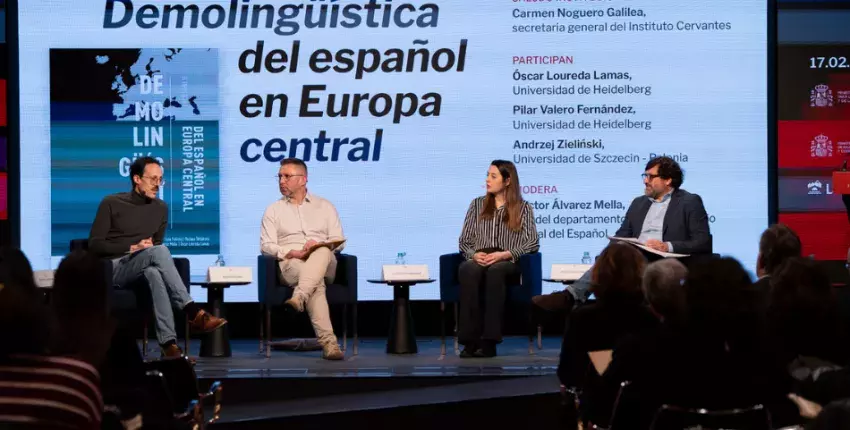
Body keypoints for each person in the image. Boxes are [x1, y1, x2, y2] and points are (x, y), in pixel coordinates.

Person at [88, 157, 226, 358]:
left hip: (142, 266)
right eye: (153, 179)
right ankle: (192, 311)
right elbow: (95, 244)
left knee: (154, 271)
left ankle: (169, 345)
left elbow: (155, 246)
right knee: (159, 251)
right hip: (114, 267)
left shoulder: (160, 208)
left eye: (160, 179)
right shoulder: (111, 202)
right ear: (136, 178)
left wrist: (145, 251)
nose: (157, 185)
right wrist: (132, 247)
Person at [533, 156, 711, 312]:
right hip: (635, 256)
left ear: (668, 180)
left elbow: (702, 241)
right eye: (645, 175)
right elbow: (622, 234)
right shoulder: (638, 203)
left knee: (622, 258)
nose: (645, 181)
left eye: (650, 176)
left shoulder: (689, 202)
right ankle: (576, 299)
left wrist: (667, 245)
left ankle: (571, 296)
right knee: (612, 255)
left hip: (667, 259)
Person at [260, 158, 346, 360]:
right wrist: (290, 252)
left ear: (303, 179)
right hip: (292, 264)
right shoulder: (273, 210)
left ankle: (299, 297)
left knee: (323, 251)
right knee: (315, 283)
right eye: (279, 176)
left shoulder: (325, 206)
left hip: (326, 264)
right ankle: (329, 344)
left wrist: (317, 244)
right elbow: (266, 246)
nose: (281, 181)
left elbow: (339, 242)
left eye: (287, 176)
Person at [457, 160, 539, 358]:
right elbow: (464, 241)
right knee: (468, 269)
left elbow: (533, 243)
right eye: (487, 175)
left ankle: (489, 341)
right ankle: (470, 341)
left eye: (493, 176)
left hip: (507, 259)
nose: (487, 180)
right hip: (481, 256)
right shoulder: (477, 204)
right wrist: (474, 255)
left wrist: (506, 254)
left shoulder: (523, 207)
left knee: (496, 271)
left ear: (507, 180)